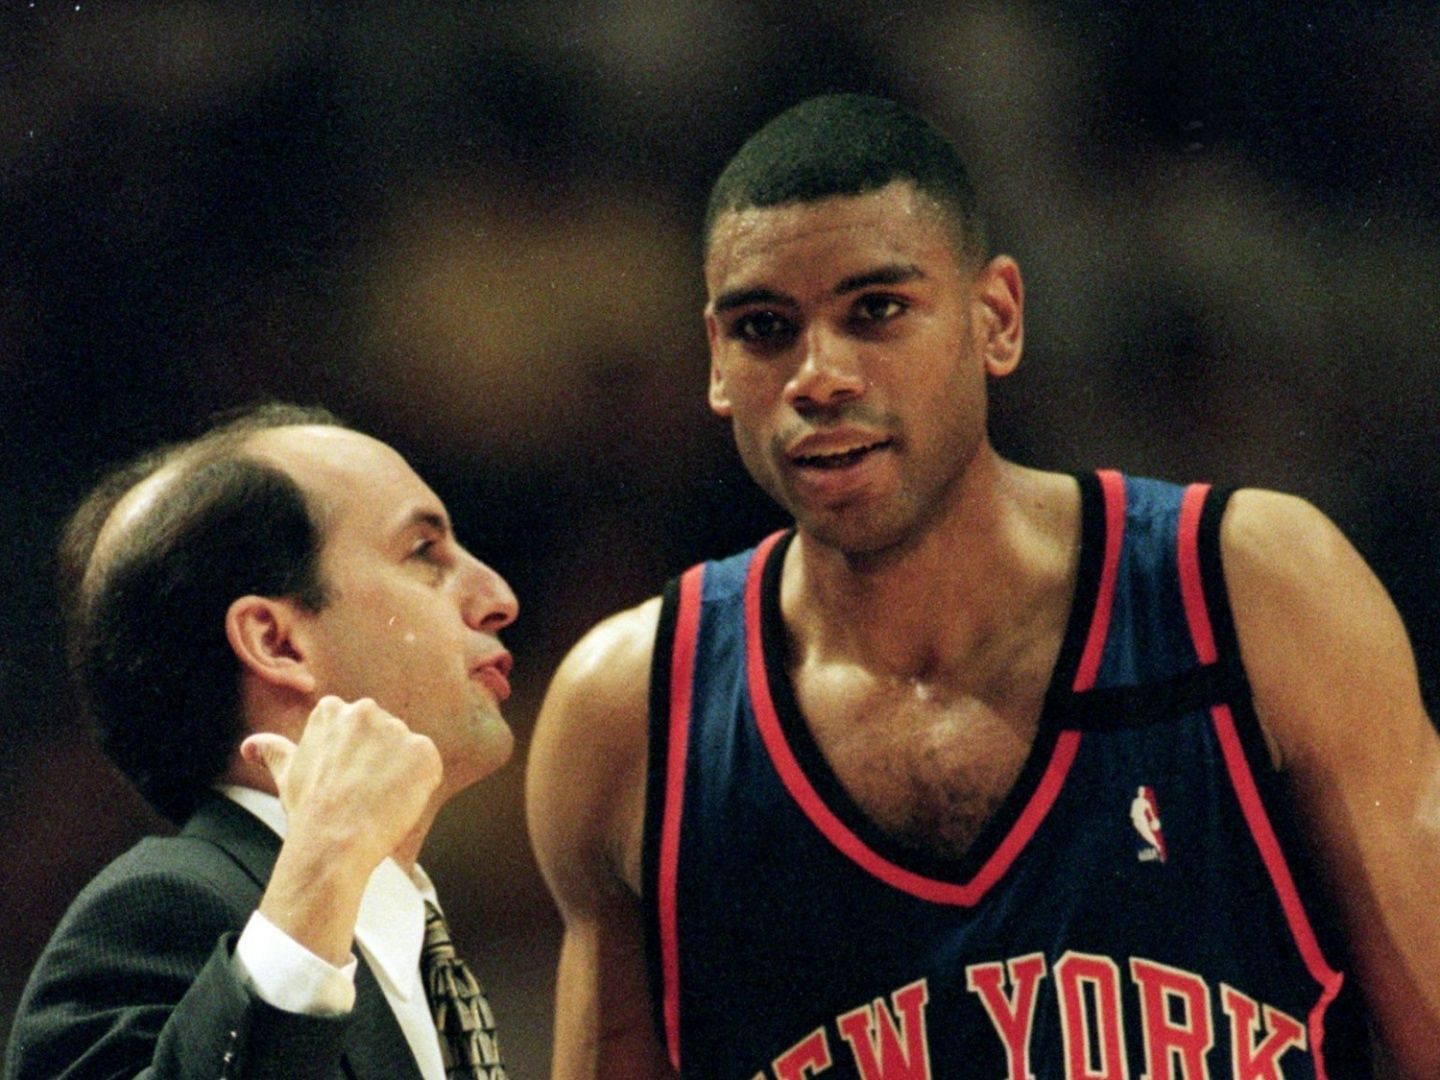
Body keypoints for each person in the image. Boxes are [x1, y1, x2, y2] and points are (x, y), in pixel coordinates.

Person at [525, 94, 1440, 1078]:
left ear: (995, 318)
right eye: (764, 328)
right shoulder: (630, 714)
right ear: (716, 364)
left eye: (875, 311)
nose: (819, 375)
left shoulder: (1252, 588)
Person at [7, 403, 518, 1079]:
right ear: (277, 641)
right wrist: (321, 874)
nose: (498, 596)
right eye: (425, 552)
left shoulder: (412, 938)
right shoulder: (163, 906)